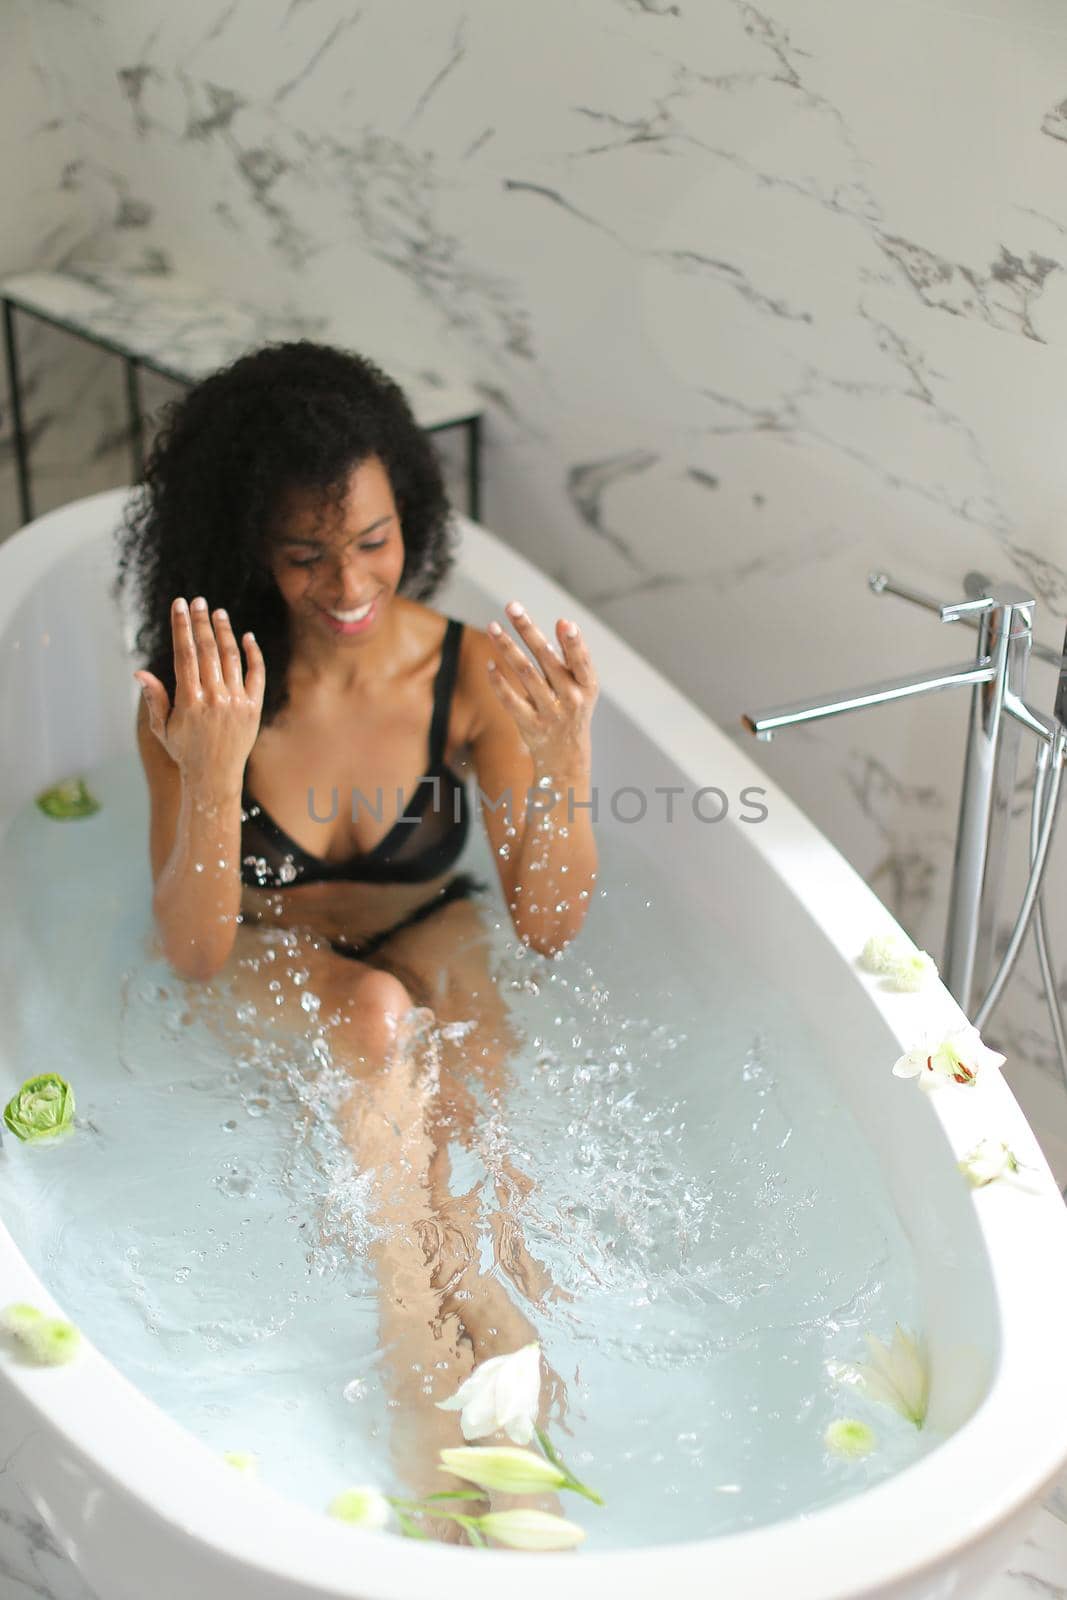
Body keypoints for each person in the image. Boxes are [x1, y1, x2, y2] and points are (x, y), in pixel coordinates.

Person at [115, 339, 599, 1518]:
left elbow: (543, 925)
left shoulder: (466, 672)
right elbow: (193, 949)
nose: (346, 584)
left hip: (428, 921)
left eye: (373, 542)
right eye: (304, 554)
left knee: (469, 1087)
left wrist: (567, 755)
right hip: (268, 952)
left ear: (412, 519)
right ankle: (421, 1367)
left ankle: (488, 1319)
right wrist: (215, 762)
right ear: (247, 550)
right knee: (379, 1020)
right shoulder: (198, 692)